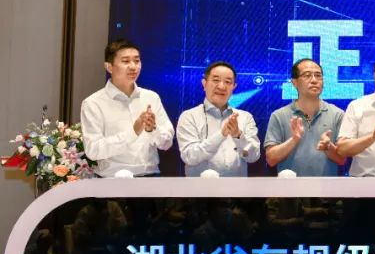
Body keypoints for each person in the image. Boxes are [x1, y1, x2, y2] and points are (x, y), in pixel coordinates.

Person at [80, 38, 174, 177]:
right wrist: (133, 132)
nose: (133, 66)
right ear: (109, 67)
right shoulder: (93, 103)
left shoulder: (151, 97)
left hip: (150, 177)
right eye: (125, 61)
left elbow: (166, 144)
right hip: (112, 180)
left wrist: (152, 130)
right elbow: (93, 150)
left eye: (137, 60)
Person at [176, 61, 260, 177]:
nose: (221, 86)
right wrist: (221, 135)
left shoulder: (245, 117)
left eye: (228, 82)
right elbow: (189, 157)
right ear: (204, 83)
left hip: (237, 187)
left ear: (234, 87)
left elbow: (253, 156)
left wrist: (238, 136)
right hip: (200, 187)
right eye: (216, 80)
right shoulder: (189, 116)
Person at [264, 59, 345, 176]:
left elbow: (342, 160)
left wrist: (328, 147)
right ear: (294, 82)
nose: (314, 80)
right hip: (290, 187)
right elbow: (271, 159)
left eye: (318, 76)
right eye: (307, 75)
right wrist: (294, 140)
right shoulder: (279, 115)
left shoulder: (337, 114)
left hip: (326, 187)